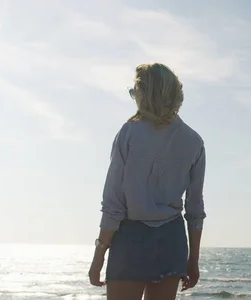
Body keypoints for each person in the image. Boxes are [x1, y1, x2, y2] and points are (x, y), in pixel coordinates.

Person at [88, 63, 207, 300]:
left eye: (135, 93)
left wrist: (99, 254)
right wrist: (193, 261)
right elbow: (194, 210)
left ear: (146, 94)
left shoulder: (129, 133)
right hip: (171, 240)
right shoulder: (193, 141)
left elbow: (114, 203)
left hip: (130, 238)